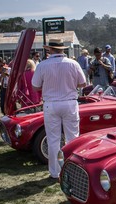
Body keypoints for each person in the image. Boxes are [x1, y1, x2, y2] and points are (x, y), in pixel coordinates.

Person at [32, 38, 86, 179]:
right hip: (69, 102)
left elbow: (35, 86)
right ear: (63, 49)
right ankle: (73, 171)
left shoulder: (43, 65)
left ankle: (55, 172)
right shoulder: (73, 63)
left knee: (53, 139)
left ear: (50, 49)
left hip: (51, 103)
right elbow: (83, 83)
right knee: (73, 138)